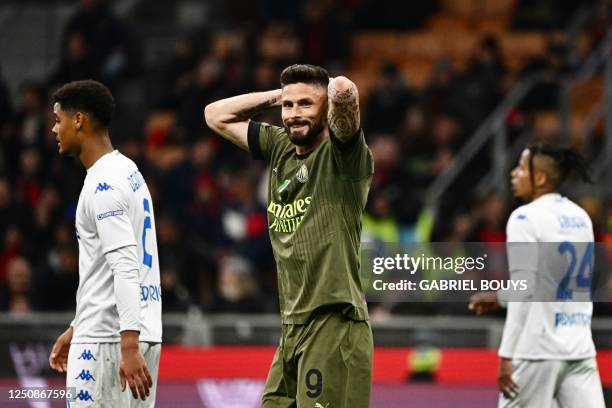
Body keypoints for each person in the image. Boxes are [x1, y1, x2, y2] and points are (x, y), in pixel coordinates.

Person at [205, 64, 374, 407]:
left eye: (306, 105)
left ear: (326, 109)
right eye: (288, 106)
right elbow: (215, 115)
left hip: (334, 323)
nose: (295, 114)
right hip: (292, 328)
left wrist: (329, 94)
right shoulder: (280, 147)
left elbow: (343, 89)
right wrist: (275, 96)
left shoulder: (345, 157)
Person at [47, 80, 162, 407]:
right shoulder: (129, 171)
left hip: (109, 341)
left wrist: (126, 344)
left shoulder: (103, 184)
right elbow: (109, 266)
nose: (55, 129)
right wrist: (78, 324)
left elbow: (124, 266)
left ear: (79, 120)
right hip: (140, 330)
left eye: (59, 120)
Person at [469, 144, 605, 408]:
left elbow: (524, 289)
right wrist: (500, 297)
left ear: (540, 178)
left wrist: (506, 354)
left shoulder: (524, 218)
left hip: (537, 352)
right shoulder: (581, 218)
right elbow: (551, 283)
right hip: (579, 350)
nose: (513, 174)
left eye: (521, 167)